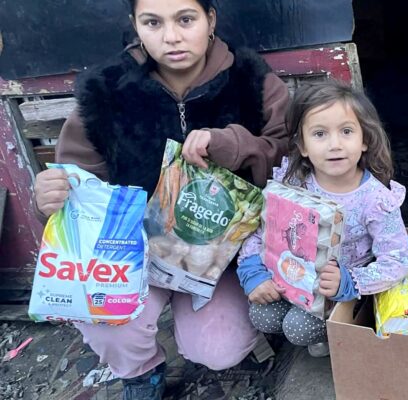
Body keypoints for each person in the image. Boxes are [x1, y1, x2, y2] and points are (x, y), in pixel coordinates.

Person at [32, 0, 291, 398]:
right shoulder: (107, 91)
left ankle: (196, 332)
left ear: (210, 19)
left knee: (219, 348)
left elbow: (290, 159)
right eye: (153, 22)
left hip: (216, 259)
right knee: (104, 318)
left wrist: (236, 145)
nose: (171, 37)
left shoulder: (251, 81)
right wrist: (50, 198)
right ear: (135, 25)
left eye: (185, 19)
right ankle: (141, 372)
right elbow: (77, 180)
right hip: (127, 252)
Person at [237, 81, 408, 357]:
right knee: (262, 315)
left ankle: (335, 336)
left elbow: (398, 260)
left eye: (346, 131)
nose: (335, 145)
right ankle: (323, 331)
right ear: (302, 146)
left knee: (298, 328)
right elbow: (262, 232)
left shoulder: (375, 199)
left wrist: (349, 282)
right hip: (290, 277)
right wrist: (253, 272)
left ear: (364, 139)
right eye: (320, 134)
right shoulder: (293, 183)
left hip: (337, 289)